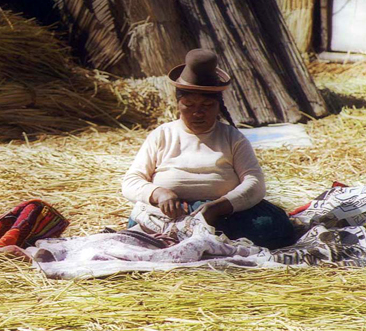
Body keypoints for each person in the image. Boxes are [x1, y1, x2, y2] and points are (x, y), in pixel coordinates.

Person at [122, 49, 295, 249]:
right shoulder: (162, 135)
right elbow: (131, 181)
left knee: (275, 228)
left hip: (225, 215)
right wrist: (159, 193)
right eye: (189, 105)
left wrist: (221, 206)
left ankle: (195, 241)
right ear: (178, 104)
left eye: (207, 105)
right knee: (140, 228)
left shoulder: (232, 137)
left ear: (218, 107)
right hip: (170, 213)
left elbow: (255, 183)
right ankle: (200, 241)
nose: (198, 113)